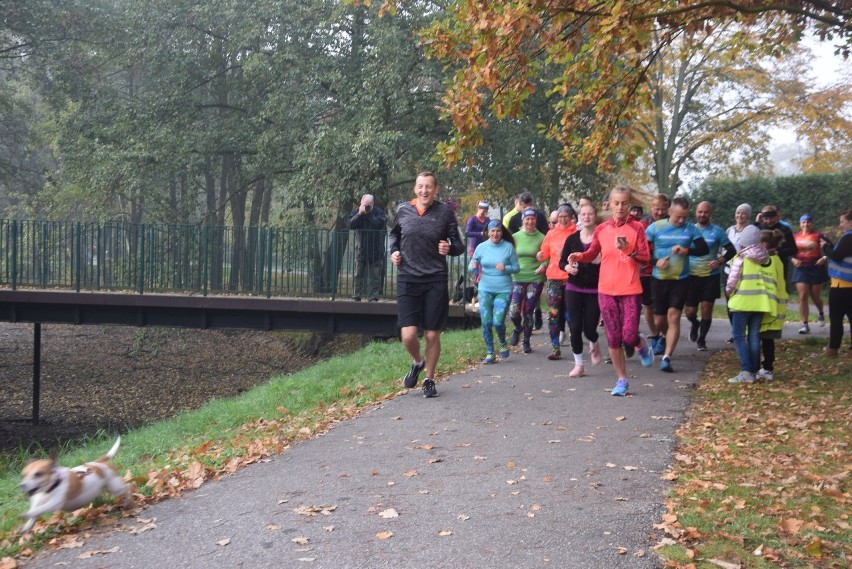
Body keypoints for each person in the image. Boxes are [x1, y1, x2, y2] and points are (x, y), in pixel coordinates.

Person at [567, 185, 655, 396]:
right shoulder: (602, 228)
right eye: (616, 203)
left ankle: (640, 343)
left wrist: (629, 250)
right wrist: (579, 256)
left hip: (630, 288)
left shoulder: (637, 228)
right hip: (606, 289)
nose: (620, 207)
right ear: (610, 204)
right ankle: (622, 380)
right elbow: (592, 252)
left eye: (624, 203)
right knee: (614, 337)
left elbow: (645, 257)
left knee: (628, 335)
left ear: (629, 204)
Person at [389, 172, 465, 398]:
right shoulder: (403, 210)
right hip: (408, 278)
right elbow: (394, 237)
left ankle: (429, 380)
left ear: (436, 189)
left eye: (429, 187)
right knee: (408, 336)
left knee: (432, 335)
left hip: (435, 279)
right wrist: (394, 252)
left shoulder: (445, 213)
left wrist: (449, 249)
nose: (424, 191)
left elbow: (458, 245)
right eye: (421, 187)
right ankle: (417, 362)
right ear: (415, 189)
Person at [645, 196, 709, 372]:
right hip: (659, 279)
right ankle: (665, 336)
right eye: (678, 217)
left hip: (681, 280)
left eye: (685, 217)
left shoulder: (691, 229)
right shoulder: (655, 228)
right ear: (669, 211)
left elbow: (704, 249)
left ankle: (667, 357)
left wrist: (686, 250)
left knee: (674, 316)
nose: (681, 221)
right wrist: (656, 261)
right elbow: (641, 253)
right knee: (659, 321)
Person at [725, 229, 786, 384]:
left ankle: (746, 371)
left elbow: (731, 283)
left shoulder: (740, 258)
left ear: (743, 242)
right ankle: (754, 371)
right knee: (754, 337)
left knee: (739, 337)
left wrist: (728, 294)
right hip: (760, 304)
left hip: (742, 303)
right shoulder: (767, 259)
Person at [684, 201, 736, 351]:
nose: (702, 215)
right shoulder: (689, 230)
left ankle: (702, 339)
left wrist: (720, 261)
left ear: (710, 214)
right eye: (700, 212)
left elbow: (731, 250)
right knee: (690, 311)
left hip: (710, 276)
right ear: (696, 213)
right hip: (691, 275)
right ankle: (694, 323)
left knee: (707, 309)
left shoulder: (718, 231)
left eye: (705, 212)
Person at [559, 202, 603, 377]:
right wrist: (567, 268)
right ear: (579, 218)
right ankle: (579, 364)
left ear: (595, 216)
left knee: (589, 328)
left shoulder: (601, 238)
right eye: (583, 214)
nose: (587, 217)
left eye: (590, 214)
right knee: (575, 327)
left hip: (594, 289)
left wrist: (598, 261)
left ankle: (594, 340)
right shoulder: (572, 239)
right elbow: (561, 262)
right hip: (574, 288)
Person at [469, 221, 519, 363]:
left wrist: (506, 268)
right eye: (493, 231)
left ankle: (502, 341)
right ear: (488, 233)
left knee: (497, 322)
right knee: (486, 322)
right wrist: (473, 266)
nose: (495, 234)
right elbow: (472, 266)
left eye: (498, 231)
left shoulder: (508, 247)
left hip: (503, 289)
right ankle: (490, 352)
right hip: (485, 289)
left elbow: (516, 268)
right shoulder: (481, 247)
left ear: (502, 232)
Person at [536, 204, 577, 359]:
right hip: (553, 277)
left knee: (571, 314)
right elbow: (544, 254)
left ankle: (576, 346)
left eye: (566, 216)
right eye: (560, 217)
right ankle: (555, 348)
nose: (563, 219)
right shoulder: (551, 234)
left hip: (571, 278)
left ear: (571, 217)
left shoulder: (576, 233)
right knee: (553, 313)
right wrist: (540, 256)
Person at [509, 209, 546, 353]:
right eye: (527, 219)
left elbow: (548, 255)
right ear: (522, 220)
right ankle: (517, 328)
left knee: (528, 311)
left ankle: (526, 341)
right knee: (514, 311)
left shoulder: (541, 237)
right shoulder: (515, 237)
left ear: (536, 220)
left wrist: (543, 264)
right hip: (517, 277)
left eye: (533, 219)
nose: (530, 222)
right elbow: (508, 254)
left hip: (535, 277)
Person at [640, 194, 670, 346]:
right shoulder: (644, 224)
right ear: (651, 208)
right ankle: (654, 334)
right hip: (645, 270)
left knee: (662, 307)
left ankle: (665, 335)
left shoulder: (673, 223)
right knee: (648, 304)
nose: (659, 212)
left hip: (667, 270)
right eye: (657, 209)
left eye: (663, 209)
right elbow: (641, 250)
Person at [791, 213, 829, 334]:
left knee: (815, 296)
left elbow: (832, 248)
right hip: (801, 268)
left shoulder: (818, 235)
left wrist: (824, 258)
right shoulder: (794, 237)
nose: (806, 224)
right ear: (800, 224)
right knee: (802, 296)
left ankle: (821, 313)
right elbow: (788, 251)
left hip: (816, 267)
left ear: (812, 223)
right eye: (803, 222)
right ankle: (805, 324)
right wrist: (793, 259)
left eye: (808, 222)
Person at [347, 194, 387, 302]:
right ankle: (356, 295)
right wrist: (360, 214)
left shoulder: (378, 212)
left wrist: (369, 215)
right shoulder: (356, 212)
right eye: (365, 205)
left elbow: (379, 224)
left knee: (375, 276)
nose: (367, 207)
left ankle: (373, 297)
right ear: (361, 203)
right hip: (361, 249)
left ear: (373, 204)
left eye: (369, 205)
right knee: (358, 274)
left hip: (376, 249)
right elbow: (350, 225)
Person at [824, 208, 852, 357]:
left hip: (841, 285)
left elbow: (837, 255)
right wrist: (830, 244)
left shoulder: (849, 237)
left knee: (836, 318)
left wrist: (824, 247)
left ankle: (832, 349)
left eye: (843, 222)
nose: (840, 225)